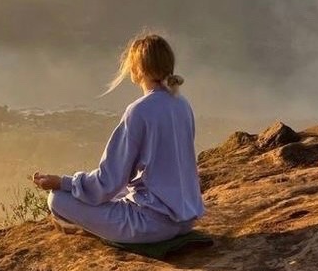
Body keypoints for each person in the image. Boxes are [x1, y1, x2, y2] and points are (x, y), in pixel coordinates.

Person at [32, 34, 205, 243]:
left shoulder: (139, 111)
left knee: (58, 199)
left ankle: (92, 228)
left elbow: (108, 180)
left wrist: (63, 183)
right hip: (185, 220)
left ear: (139, 68)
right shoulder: (182, 104)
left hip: (151, 224)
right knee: (121, 190)